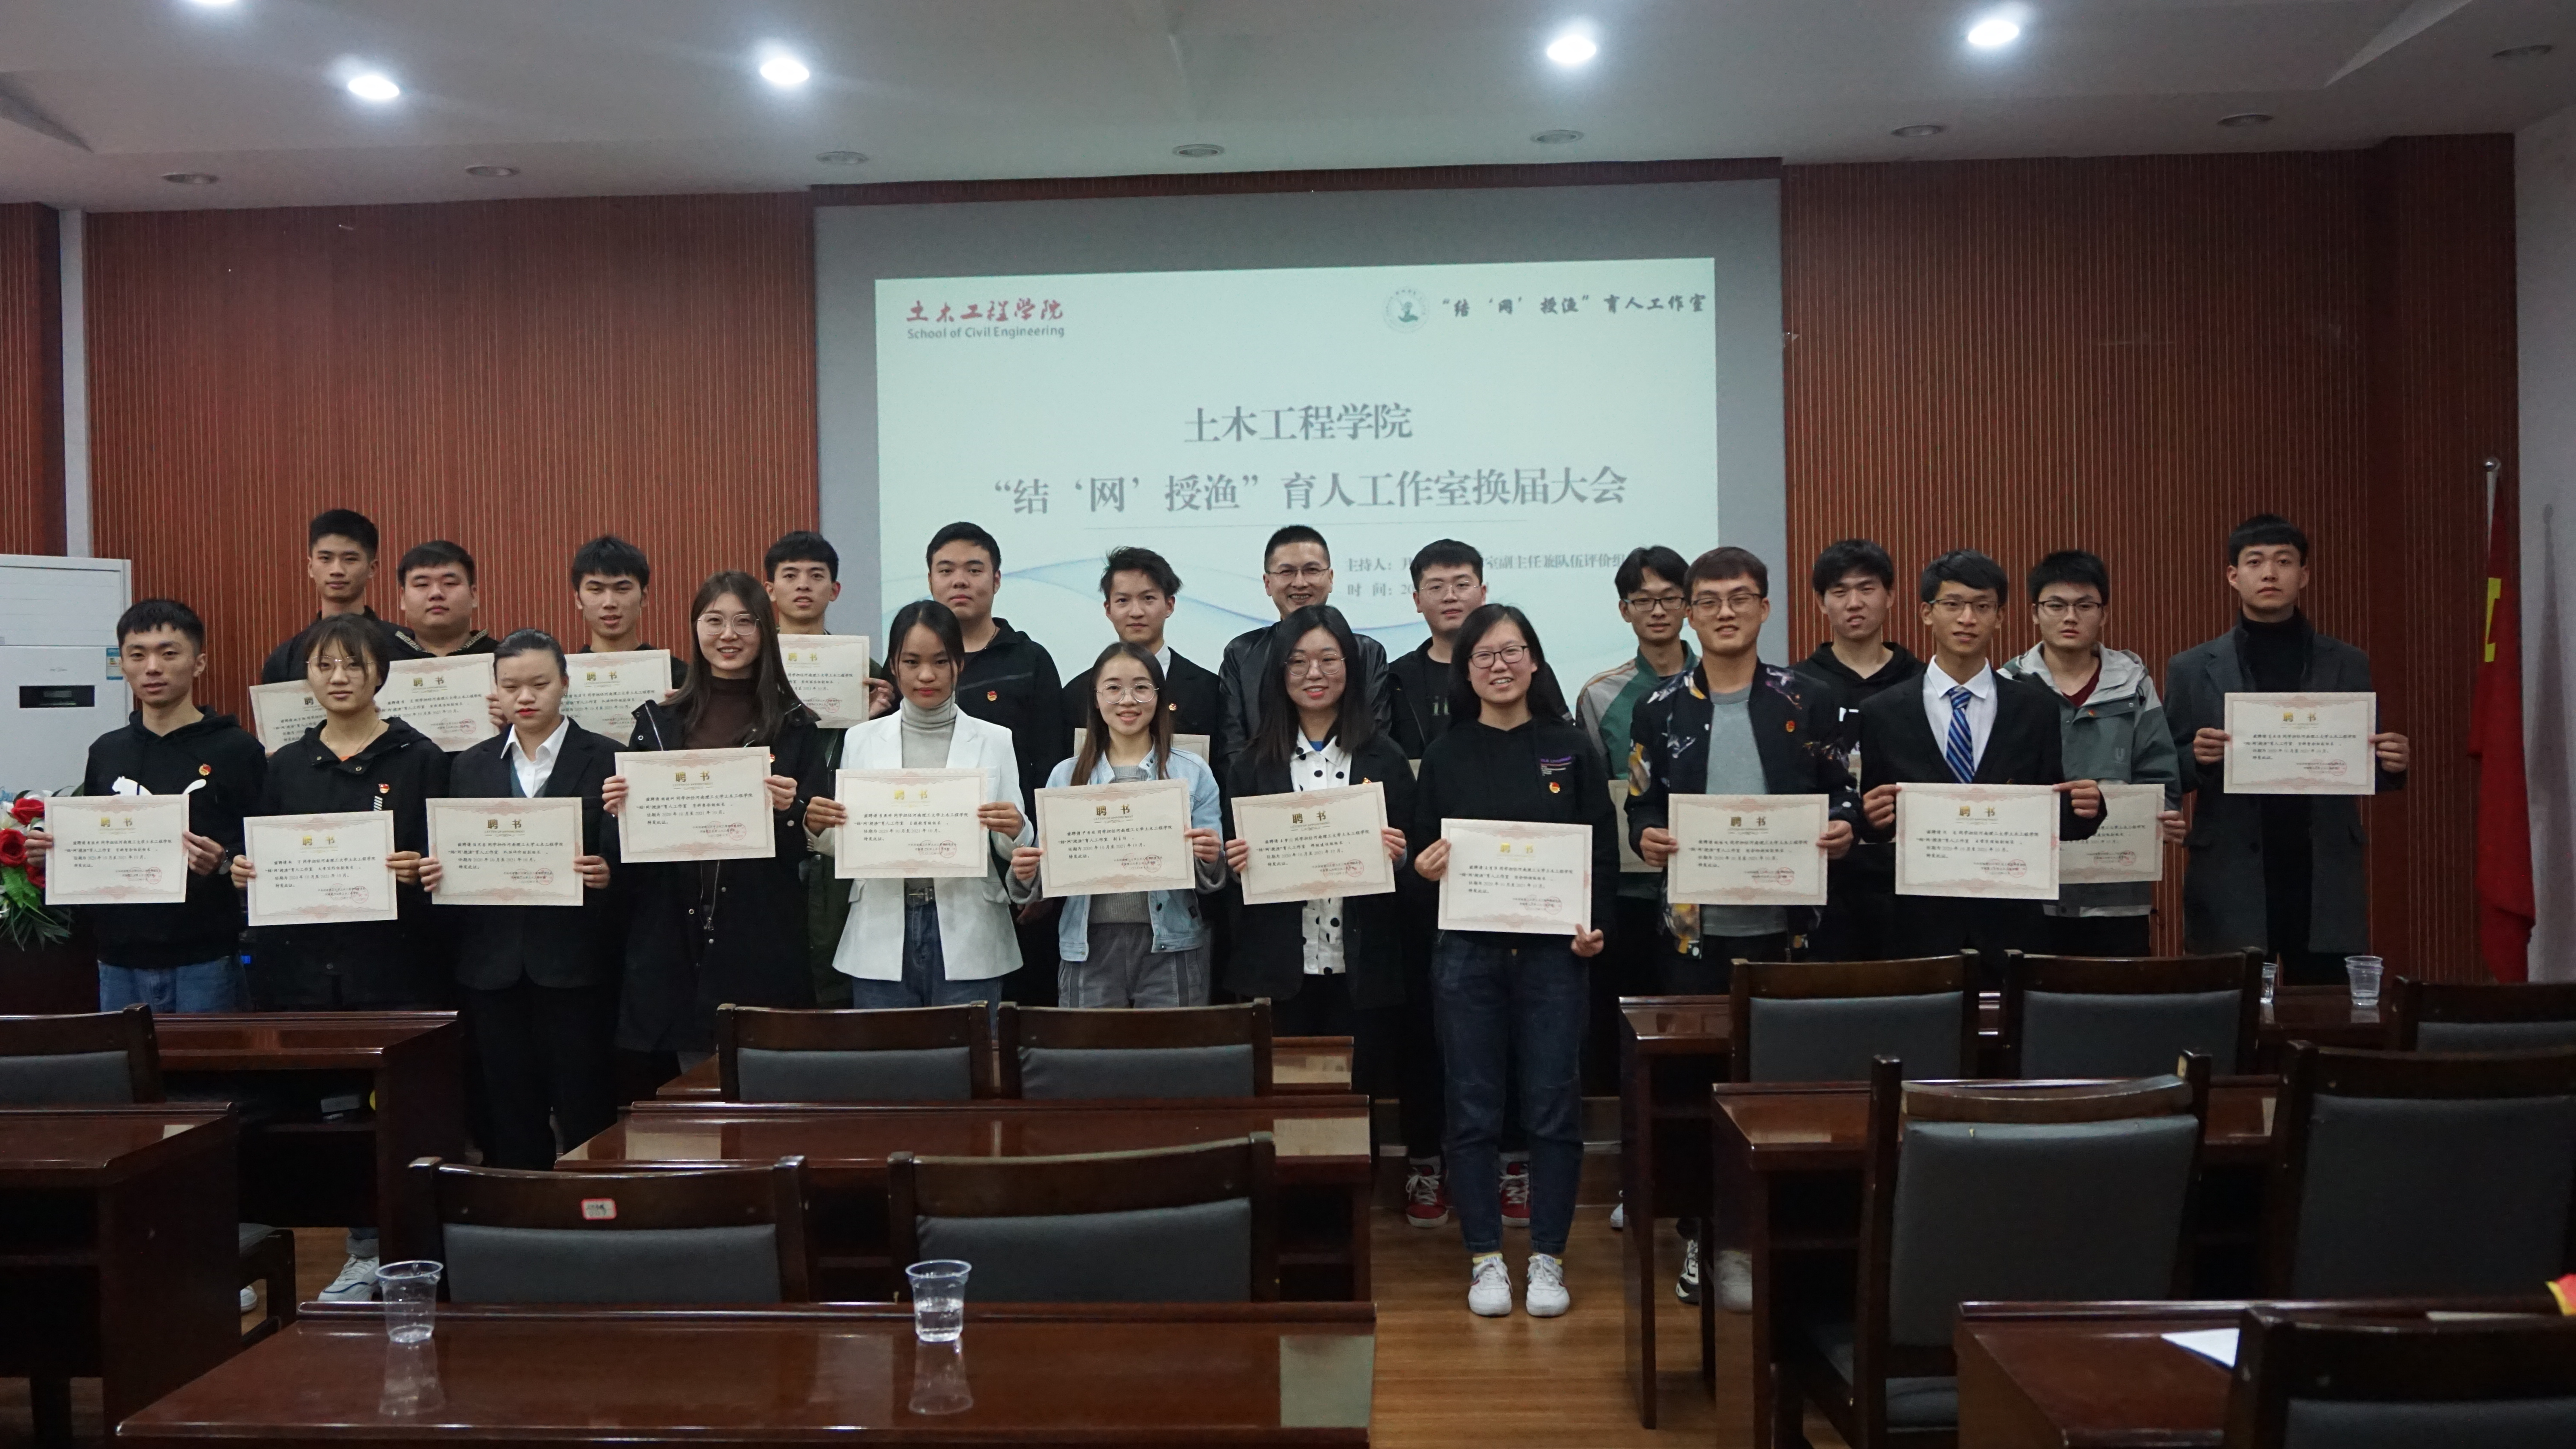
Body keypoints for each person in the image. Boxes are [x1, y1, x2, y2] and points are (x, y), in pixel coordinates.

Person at [1625, 547, 1855, 1310]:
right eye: (1710, 600)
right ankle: (1705, 1234)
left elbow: (1846, 793)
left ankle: (1782, 1234)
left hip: (1793, 933)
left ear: (1765, 608)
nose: (1726, 612)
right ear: (1689, 613)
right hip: (1695, 936)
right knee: (1699, 1092)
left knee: (1790, 1090)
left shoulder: (1810, 699)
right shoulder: (1660, 707)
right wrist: (1646, 834)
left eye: (1741, 598)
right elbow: (1641, 802)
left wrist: (1846, 827)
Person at [229, 611, 449, 1303]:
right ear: (308, 677)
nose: (340, 677)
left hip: (395, 969)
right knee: (327, 1122)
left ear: (380, 672)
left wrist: (424, 865)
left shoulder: (422, 758)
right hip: (304, 974)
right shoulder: (285, 766)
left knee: (397, 1121)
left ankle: (406, 1252)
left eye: (354, 663)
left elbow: (450, 861)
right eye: (325, 665)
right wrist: (248, 870)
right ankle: (358, 1251)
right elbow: (264, 855)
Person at [1409, 604, 1615, 1319]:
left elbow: (1601, 856)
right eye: (1485, 655)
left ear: (1534, 660)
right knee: (1471, 1112)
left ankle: (1549, 1258)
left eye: (1512, 651)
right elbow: (1421, 854)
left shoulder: (1571, 747)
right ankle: (1486, 1259)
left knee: (1554, 1109)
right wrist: (1425, 868)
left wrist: (1596, 929)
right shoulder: (1445, 754)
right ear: (1465, 671)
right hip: (1467, 958)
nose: (1500, 665)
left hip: (1555, 958)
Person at [2164, 515, 2409, 983]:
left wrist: (2390, 764)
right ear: (2233, 576)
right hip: (2231, 867)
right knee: (2229, 1007)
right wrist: (2196, 757)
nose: (2270, 574)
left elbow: (2357, 757)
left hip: (2321, 865)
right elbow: (2167, 767)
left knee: (2325, 1007)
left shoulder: (2348, 663)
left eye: (2284, 562)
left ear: (2304, 575)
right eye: (2255, 562)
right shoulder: (2192, 668)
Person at [417, 630, 619, 1170]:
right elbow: (456, 853)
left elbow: (633, 860)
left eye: (539, 684)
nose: (525, 697)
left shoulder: (609, 758)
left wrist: (609, 872)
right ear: (496, 691)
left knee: (587, 1103)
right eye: (511, 686)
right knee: (509, 1107)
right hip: (492, 965)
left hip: (576, 963)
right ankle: (523, 1210)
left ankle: (595, 1206)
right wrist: (439, 872)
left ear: (565, 684)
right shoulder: (470, 765)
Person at [607, 572, 825, 1066]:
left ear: (765, 631)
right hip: (674, 935)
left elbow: (810, 845)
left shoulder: (795, 724)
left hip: (759, 931)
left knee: (769, 1082)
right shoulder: (658, 723)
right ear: (695, 628)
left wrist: (793, 811)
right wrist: (620, 808)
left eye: (745, 622)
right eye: (714, 621)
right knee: (693, 1089)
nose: (729, 635)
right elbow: (628, 855)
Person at [1853, 550, 2102, 977]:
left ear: (2000, 617)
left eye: (1982, 606)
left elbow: (2051, 810)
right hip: (1919, 927)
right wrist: (1870, 819)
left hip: (2011, 926)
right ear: (1927, 613)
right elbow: (1879, 821)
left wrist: (2088, 809)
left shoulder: (2035, 709)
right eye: (1953, 604)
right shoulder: (1884, 712)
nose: (1967, 618)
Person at [25, 599, 264, 1012]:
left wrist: (223, 861)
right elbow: (94, 844)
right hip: (118, 959)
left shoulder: (238, 750)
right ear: (123, 664)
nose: (152, 668)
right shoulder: (107, 752)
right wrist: (53, 852)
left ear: (199, 663)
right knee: (126, 1058)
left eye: (169, 653)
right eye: (137, 655)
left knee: (207, 1058)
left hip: (206, 958)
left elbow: (263, 851)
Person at [806, 600, 1031, 1007]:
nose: (926, 675)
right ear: (894, 665)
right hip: (879, 928)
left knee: (971, 1050)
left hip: (970, 929)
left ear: (959, 664)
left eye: (941, 662)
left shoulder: (995, 739)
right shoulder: (861, 739)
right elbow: (853, 843)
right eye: (912, 662)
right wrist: (819, 829)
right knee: (887, 1050)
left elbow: (1012, 845)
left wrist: (1015, 830)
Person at [1221, 605, 1414, 1037]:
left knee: (1362, 1079)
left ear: (1350, 666)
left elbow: (1415, 862)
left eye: (1329, 659)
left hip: (1365, 972)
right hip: (1279, 972)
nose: (1314, 673)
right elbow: (1235, 878)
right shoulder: (1251, 766)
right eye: (1298, 661)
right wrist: (1235, 864)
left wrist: (1401, 856)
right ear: (1280, 671)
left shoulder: (1386, 759)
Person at [1996, 551, 2188, 957]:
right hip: (2030, 896)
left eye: (2085, 606)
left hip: (2116, 897)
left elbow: (2161, 777)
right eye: (2056, 605)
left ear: (2104, 614)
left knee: (2116, 997)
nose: (2071, 617)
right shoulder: (2006, 686)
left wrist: (2163, 817)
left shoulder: (2134, 684)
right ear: (2034, 613)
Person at [1015, 642, 1227, 1006]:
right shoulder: (1066, 776)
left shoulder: (1193, 772)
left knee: (1177, 1044)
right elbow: (1046, 876)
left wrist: (1210, 856)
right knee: (1091, 1046)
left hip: (1172, 945)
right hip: (1088, 947)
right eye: (1113, 688)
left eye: (1141, 687)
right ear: (1096, 699)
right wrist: (1026, 872)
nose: (1128, 700)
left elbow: (1213, 876)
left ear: (1158, 696)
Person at [927, 521, 1070, 1003]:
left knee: (1018, 1013)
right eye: (947, 570)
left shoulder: (1030, 660)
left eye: (974, 569)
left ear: (997, 579)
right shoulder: (912, 663)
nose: (960, 581)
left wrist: (1043, 874)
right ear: (931, 580)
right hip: (934, 870)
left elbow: (1053, 770)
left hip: (1016, 868)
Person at [1573, 545, 1696, 1097]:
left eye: (1670, 597)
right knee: (1628, 1029)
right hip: (1631, 892)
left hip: (1709, 889)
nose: (1658, 610)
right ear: (1624, 610)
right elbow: (1596, 801)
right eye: (1643, 600)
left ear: (1689, 604)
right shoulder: (1599, 695)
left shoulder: (1726, 684)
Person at [764, 529, 891, 1008]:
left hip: (841, 832)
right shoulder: (749, 665)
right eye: (790, 575)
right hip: (771, 836)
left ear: (834, 590)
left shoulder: (865, 668)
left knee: (837, 976)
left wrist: (872, 721)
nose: (803, 585)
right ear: (770, 589)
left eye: (816, 576)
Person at [1791, 538, 1922, 960]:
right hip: (1826, 878)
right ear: (1821, 602)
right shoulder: (1794, 689)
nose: (1854, 603)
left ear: (1891, 596)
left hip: (1911, 876)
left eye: (1867, 589)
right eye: (1840, 591)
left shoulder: (1925, 684)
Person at [1217, 525, 1391, 784]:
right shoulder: (1242, 653)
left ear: (1330, 578)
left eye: (1311, 570)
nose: (1300, 583)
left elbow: (1376, 738)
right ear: (1268, 583)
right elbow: (1234, 744)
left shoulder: (1367, 653)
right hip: (1267, 797)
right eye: (1286, 572)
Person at [1059, 547, 1224, 740]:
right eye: (1123, 600)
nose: (1136, 612)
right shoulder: (1078, 693)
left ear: (1169, 605)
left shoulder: (1210, 691)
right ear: (1109, 610)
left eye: (1148, 599)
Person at [260, 508, 395, 685]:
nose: (337, 570)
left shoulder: (403, 649)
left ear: (372, 568)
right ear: (310, 567)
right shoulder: (285, 660)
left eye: (350, 559)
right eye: (326, 558)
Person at [569, 534, 688, 687]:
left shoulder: (681, 680)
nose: (609, 603)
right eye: (596, 589)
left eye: (622, 589)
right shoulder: (564, 680)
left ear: (644, 597)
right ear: (578, 599)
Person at [389, 540, 496, 660]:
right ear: (403, 598)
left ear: (474, 595)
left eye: (450, 583)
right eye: (422, 584)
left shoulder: (503, 660)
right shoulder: (380, 662)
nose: (436, 593)